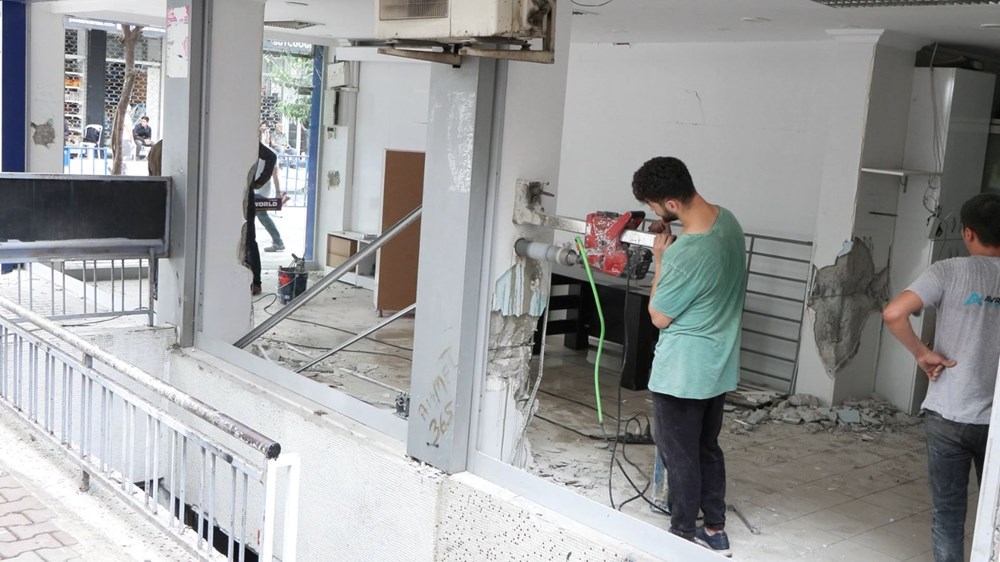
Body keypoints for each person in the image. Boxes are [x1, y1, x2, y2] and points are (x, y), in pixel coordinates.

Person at [631, 156, 745, 558]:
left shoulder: (685, 254)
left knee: (679, 455)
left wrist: (662, 260)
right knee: (706, 448)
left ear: (671, 205)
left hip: (682, 371)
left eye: (654, 206)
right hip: (717, 366)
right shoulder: (729, 222)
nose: (654, 214)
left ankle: (679, 535)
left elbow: (659, 316)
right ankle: (715, 528)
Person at [882, 193, 1000, 562]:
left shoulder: (948, 271)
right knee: (994, 519)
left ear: (968, 233)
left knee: (948, 516)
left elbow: (894, 313)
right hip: (995, 419)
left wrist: (922, 353)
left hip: (947, 412)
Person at [255, 159, 287, 252]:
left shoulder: (270, 154)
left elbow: (275, 174)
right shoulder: (254, 152)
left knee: (262, 217)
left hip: (261, 192)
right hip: (256, 191)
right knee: (261, 217)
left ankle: (278, 242)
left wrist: (278, 192)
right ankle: (278, 242)